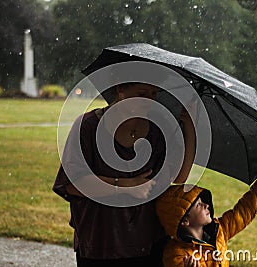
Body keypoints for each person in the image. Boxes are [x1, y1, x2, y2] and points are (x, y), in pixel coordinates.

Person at [53, 82, 196, 267]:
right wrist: (127, 186)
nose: (150, 101)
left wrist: (190, 127)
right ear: (120, 89)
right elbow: (73, 184)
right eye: (142, 93)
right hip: (102, 242)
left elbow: (179, 176)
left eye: (154, 94)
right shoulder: (88, 126)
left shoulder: (157, 132)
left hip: (148, 241)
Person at [155, 167, 257, 267]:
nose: (206, 205)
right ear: (185, 220)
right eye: (199, 205)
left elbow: (242, 213)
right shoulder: (176, 254)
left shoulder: (219, 230)